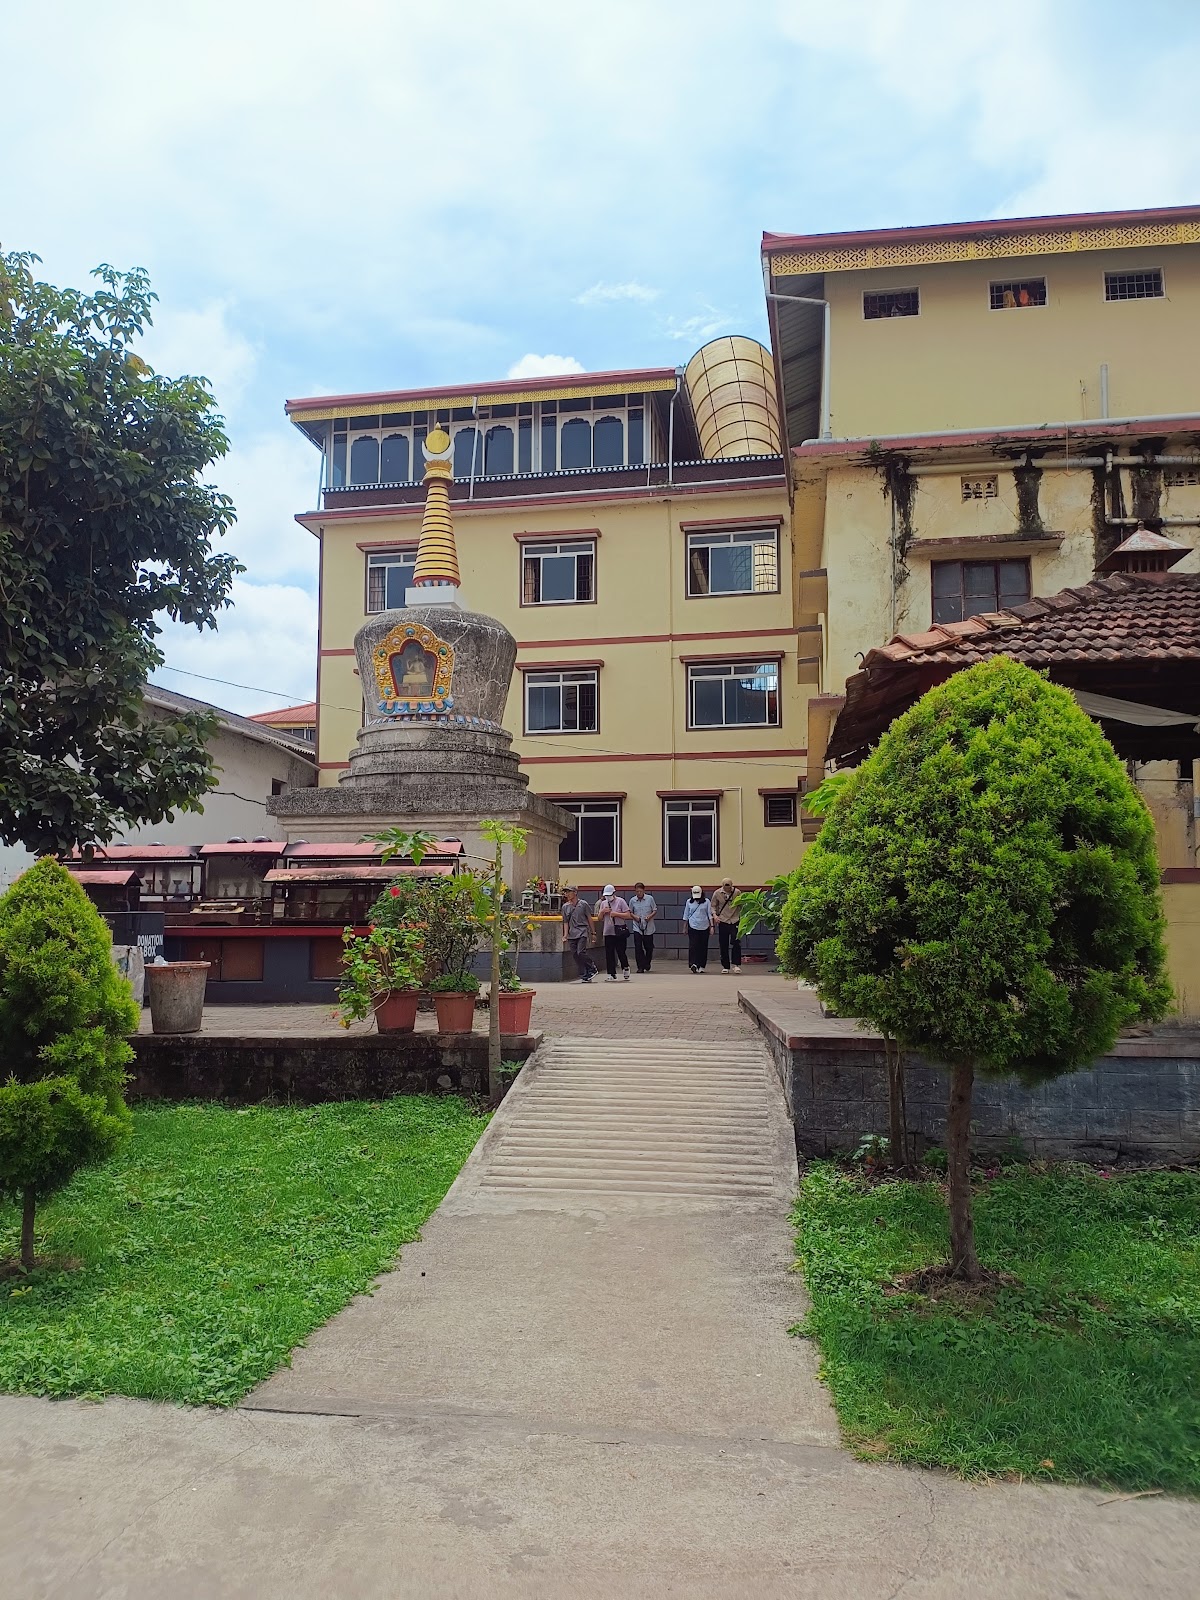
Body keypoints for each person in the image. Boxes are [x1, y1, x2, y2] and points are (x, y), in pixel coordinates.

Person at [594, 883, 632, 982]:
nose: (608, 897)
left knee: (621, 951)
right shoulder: (603, 903)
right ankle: (611, 973)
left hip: (619, 931)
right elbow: (599, 918)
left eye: (609, 895)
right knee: (609, 953)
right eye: (606, 896)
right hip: (608, 931)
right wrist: (602, 912)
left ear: (614, 893)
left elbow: (628, 915)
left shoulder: (621, 901)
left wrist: (616, 914)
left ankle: (625, 967)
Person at [561, 887, 597, 983]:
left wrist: (593, 932)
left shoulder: (583, 904)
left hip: (582, 931)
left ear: (575, 893)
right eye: (566, 892)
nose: (567, 894)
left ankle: (591, 967)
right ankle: (584, 974)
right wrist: (565, 935)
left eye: (569, 892)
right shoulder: (565, 907)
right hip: (572, 933)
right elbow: (565, 922)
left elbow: (589, 918)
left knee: (580, 952)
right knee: (575, 955)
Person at [711, 878, 742, 974]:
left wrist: (742, 916)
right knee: (723, 944)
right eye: (725, 886)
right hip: (723, 920)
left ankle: (736, 965)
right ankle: (725, 966)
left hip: (735, 920)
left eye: (729, 885)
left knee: (736, 943)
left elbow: (741, 904)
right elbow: (713, 906)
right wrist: (715, 916)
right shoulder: (717, 893)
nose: (727, 888)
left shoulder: (737, 892)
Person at [627, 881, 658, 973]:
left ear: (644, 891)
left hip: (648, 926)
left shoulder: (650, 899)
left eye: (640, 891)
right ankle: (640, 966)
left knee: (648, 947)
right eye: (637, 891)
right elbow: (630, 912)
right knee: (638, 947)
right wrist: (634, 917)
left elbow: (655, 910)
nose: (639, 893)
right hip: (637, 926)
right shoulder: (632, 900)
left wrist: (650, 916)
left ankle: (647, 962)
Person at [682, 885, 713, 973]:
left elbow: (709, 915)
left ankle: (702, 965)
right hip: (693, 926)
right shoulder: (689, 902)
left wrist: (712, 927)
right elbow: (686, 914)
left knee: (703, 947)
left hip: (704, 927)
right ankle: (693, 964)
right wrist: (684, 927)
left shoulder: (707, 902)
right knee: (693, 946)